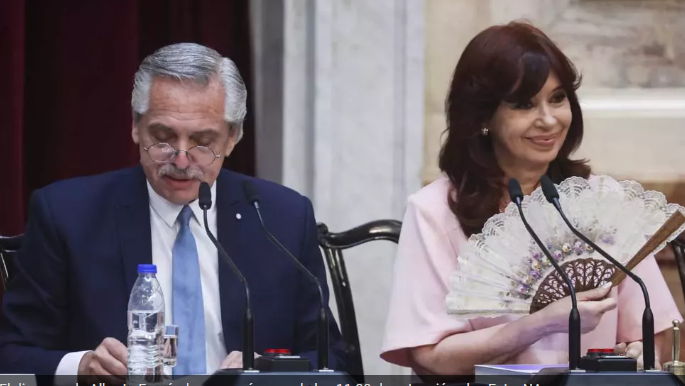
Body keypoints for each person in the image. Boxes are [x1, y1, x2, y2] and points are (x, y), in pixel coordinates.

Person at [0, 43, 346, 377]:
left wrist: (267, 371)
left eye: (203, 142)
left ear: (232, 138)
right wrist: (82, 367)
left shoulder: (281, 219)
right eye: (163, 137)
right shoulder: (68, 215)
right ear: (136, 126)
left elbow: (331, 357)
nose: (181, 160)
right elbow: (11, 355)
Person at [380, 22, 682, 376]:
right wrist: (538, 324)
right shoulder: (434, 212)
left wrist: (640, 352)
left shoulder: (603, 202)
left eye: (558, 98)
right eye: (524, 104)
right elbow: (430, 357)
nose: (549, 120)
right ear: (483, 117)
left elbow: (656, 332)